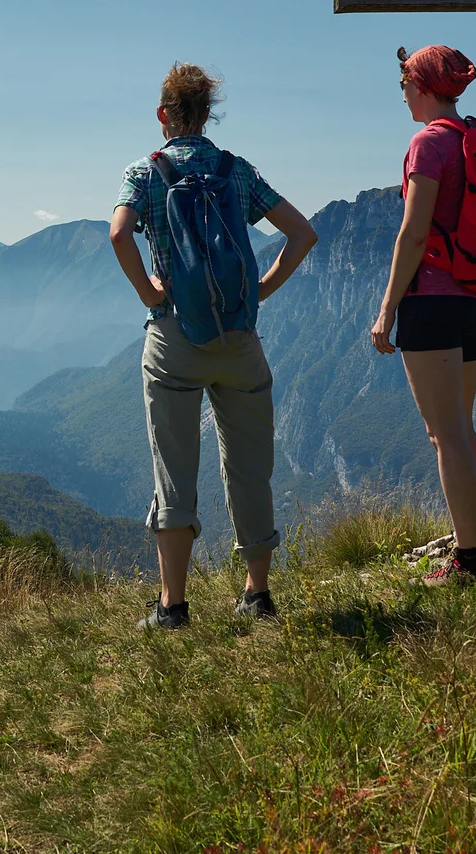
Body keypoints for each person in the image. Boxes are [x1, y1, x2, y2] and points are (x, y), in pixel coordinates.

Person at [109, 63, 318, 629]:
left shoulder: (144, 172)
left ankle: (172, 606)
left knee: (173, 471)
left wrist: (149, 292)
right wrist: (260, 292)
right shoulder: (237, 170)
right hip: (239, 336)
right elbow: (303, 233)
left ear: (163, 116)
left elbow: (118, 233)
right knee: (250, 468)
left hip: (174, 335)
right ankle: (257, 593)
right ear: (207, 114)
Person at [369, 45, 476, 585]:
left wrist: (386, 310)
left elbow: (415, 231)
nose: (402, 96)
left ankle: (467, 563)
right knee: (462, 428)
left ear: (421, 87)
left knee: (443, 434)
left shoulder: (427, 143)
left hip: (432, 299)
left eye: (403, 86)